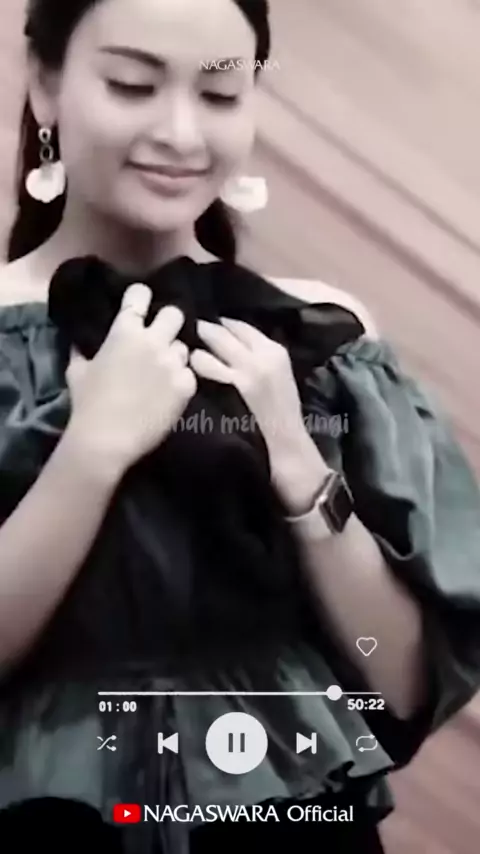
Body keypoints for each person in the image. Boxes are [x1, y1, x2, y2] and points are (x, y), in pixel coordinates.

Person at [0, 0, 479, 852]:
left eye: (220, 94)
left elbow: (400, 683)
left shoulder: (326, 344)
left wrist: (301, 472)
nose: (181, 133)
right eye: (133, 85)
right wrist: (91, 454)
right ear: (44, 84)